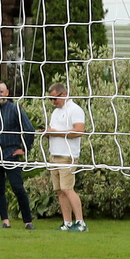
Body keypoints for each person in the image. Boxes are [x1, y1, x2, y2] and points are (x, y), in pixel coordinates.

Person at [0, 80, 36, 231]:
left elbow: (29, 130)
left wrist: (24, 149)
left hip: (11, 154)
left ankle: (28, 222)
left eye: (1, 92)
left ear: (7, 93)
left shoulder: (15, 109)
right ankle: (5, 221)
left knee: (18, 188)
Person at [44, 80, 89, 232]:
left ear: (63, 94)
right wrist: (47, 133)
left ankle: (81, 222)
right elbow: (54, 131)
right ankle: (67, 222)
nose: (53, 102)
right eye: (50, 99)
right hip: (54, 155)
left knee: (68, 189)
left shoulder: (75, 110)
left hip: (67, 155)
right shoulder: (55, 112)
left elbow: (78, 131)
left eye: (55, 98)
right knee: (59, 190)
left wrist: (56, 133)